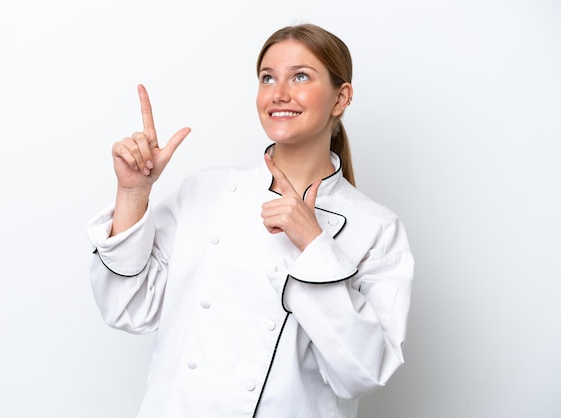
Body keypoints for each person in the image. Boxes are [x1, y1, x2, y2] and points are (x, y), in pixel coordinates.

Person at [86, 23, 414, 418]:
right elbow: (128, 307)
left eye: (301, 76)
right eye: (267, 77)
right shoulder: (205, 192)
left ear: (341, 98)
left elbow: (363, 372)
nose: (278, 93)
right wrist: (133, 194)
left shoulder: (377, 228)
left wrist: (314, 246)